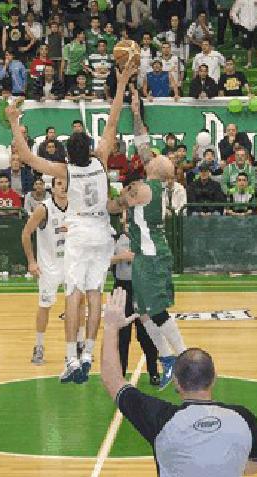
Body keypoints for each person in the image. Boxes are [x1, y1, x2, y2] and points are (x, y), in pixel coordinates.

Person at [7, 57, 141, 383]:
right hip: (102, 232)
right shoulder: (101, 160)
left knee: (74, 294)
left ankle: (70, 359)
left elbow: (25, 157)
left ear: (68, 154)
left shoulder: (64, 170)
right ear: (92, 148)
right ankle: (88, 353)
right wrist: (121, 82)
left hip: (80, 232)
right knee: (95, 295)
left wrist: (13, 120)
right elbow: (112, 120)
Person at [98, 288, 257, 477]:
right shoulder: (244, 417)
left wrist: (110, 327)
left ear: (176, 383)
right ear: (214, 378)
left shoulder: (162, 420)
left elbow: (112, 379)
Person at [117, 108, 188, 389]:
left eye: (153, 159)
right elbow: (141, 142)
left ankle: (182, 355)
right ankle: (168, 358)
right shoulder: (151, 180)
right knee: (142, 311)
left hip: (153, 256)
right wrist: (136, 111)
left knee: (156, 310)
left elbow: (146, 151)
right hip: (146, 256)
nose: (148, 157)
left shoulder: (152, 186)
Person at [21, 176, 69, 364]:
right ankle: (39, 346)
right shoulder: (44, 209)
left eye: (66, 184)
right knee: (45, 306)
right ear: (53, 188)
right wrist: (32, 261)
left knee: (76, 305)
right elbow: (25, 233)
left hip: (71, 264)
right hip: (49, 266)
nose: (63, 187)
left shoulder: (76, 207)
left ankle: (77, 347)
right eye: (59, 184)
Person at [110, 219, 162, 385]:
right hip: (122, 289)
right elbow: (104, 260)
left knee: (146, 333)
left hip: (143, 288)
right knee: (122, 335)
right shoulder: (114, 238)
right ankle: (120, 373)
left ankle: (153, 371)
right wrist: (120, 257)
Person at [230, 0, 257, 68]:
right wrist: (238, 22)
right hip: (245, 26)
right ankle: (249, 63)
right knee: (248, 46)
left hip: (256, 25)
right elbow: (233, 12)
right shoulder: (239, 1)